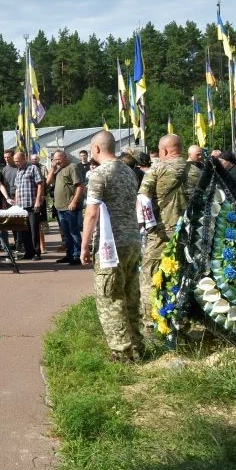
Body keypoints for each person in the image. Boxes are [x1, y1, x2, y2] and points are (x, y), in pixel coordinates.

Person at [80, 131, 144, 363]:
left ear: (96, 148)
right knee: (130, 294)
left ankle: (122, 351)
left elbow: (91, 212)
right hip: (132, 239)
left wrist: (84, 246)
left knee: (110, 296)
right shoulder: (128, 171)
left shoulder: (99, 175)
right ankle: (136, 344)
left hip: (110, 244)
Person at [137, 135, 201, 324]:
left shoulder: (157, 169)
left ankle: (151, 319)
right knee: (186, 272)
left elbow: (143, 200)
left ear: (163, 151)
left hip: (162, 232)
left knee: (150, 273)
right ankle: (188, 317)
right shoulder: (196, 172)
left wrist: (146, 226)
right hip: (191, 232)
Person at [48, 150, 84, 265]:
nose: (57, 161)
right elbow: (48, 182)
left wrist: (74, 202)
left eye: (59, 159)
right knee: (66, 233)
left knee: (74, 232)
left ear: (65, 156)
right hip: (60, 207)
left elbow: (80, 186)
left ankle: (77, 255)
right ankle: (69, 254)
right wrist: (53, 168)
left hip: (70, 206)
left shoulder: (72, 167)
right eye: (55, 159)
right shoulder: (58, 169)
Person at [12, 151, 45, 260]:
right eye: (15, 161)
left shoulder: (33, 168)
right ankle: (28, 252)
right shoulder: (18, 171)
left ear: (24, 158)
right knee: (24, 230)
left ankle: (36, 252)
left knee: (34, 230)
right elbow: (17, 188)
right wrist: (16, 204)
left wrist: (38, 201)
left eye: (18, 161)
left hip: (32, 204)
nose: (16, 163)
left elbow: (40, 185)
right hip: (21, 207)